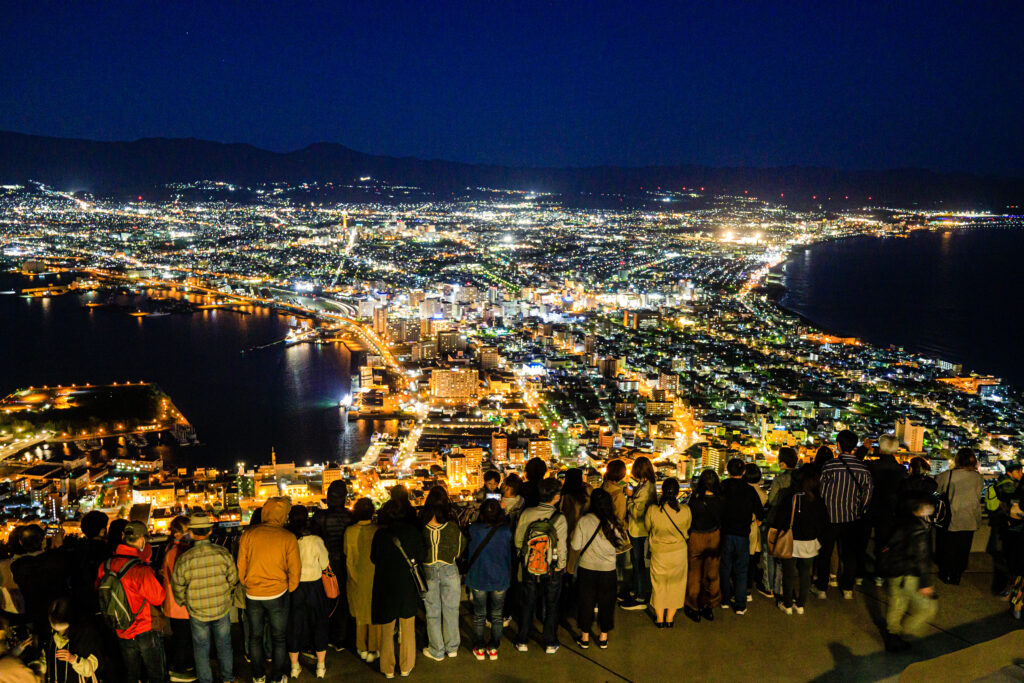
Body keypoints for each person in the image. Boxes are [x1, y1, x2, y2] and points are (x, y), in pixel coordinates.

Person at [237, 496, 301, 683]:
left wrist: (247, 582)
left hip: (252, 593)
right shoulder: (287, 537)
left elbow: (241, 564)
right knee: (279, 638)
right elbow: (295, 570)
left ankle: (258, 675)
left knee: (255, 636)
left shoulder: (249, 534)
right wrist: (290, 588)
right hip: (278, 593)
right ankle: (277, 677)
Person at [96, 520, 167, 683]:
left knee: (131, 674)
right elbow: (158, 597)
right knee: (156, 674)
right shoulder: (140, 570)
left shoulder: (105, 566)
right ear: (142, 540)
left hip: (120, 627)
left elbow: (99, 590)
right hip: (144, 626)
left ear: (123, 537)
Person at [172, 513, 238, 683]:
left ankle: (206, 680)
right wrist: (225, 594)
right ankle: (228, 678)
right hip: (221, 607)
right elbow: (233, 579)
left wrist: (185, 602)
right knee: (224, 645)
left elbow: (177, 587)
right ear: (210, 531)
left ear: (192, 533)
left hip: (197, 611)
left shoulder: (185, 558)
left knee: (201, 648)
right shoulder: (223, 553)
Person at [814, 430, 874, 600]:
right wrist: (859, 510)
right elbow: (868, 493)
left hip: (830, 518)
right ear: (854, 446)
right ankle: (847, 588)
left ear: (838, 445)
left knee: (825, 553)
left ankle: (822, 588)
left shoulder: (830, 466)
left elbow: (822, 492)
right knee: (850, 554)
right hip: (852, 518)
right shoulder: (863, 468)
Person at [371, 500, 427, 679]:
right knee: (407, 627)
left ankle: (387, 668)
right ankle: (406, 665)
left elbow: (374, 558)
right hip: (407, 585)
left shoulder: (380, 535)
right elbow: (421, 555)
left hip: (385, 585)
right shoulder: (412, 532)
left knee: (387, 630)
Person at [878, 495, 938, 652]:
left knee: (897, 603)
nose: (930, 509)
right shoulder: (919, 527)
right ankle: (908, 632)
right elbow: (922, 556)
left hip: (893, 572)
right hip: (909, 574)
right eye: (926, 506)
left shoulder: (898, 522)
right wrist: (925, 583)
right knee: (928, 607)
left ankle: (893, 637)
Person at [514, 478, 567, 654]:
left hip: (530, 564)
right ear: (557, 496)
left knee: (528, 601)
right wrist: (561, 566)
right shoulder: (560, 518)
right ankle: (550, 642)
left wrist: (526, 558)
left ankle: (522, 639)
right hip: (551, 567)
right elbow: (561, 547)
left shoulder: (527, 513)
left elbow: (518, 541)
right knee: (552, 604)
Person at [571, 488, 629, 649]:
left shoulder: (584, 521)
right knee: (607, 603)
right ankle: (603, 637)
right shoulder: (614, 522)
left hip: (587, 568)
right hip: (608, 570)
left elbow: (576, 545)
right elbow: (620, 546)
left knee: (586, 602)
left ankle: (585, 637)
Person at [419, 486, 466, 662]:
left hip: (429, 570)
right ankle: (452, 647)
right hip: (450, 569)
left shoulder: (422, 526)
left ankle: (437, 650)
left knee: (432, 611)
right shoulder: (452, 526)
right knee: (451, 609)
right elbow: (461, 547)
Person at [771, 468, 826, 614]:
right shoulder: (818, 500)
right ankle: (800, 604)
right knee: (804, 573)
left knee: (788, 573)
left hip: (791, 541)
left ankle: (787, 604)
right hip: (809, 542)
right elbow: (823, 522)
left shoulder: (791, 498)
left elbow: (779, 520)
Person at [465, 499, 513, 660]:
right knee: (497, 615)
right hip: (499, 578)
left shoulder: (474, 529)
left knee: (479, 614)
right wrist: (504, 513)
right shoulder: (506, 531)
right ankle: (493, 648)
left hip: (479, 577)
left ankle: (479, 647)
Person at [286, 505, 330, 679]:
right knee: (319, 624)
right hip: (314, 586)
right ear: (307, 519)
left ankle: (294, 667)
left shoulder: (288, 539)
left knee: (294, 626)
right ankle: (320, 666)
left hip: (294, 587)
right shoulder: (316, 540)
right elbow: (325, 564)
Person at [719, 458, 764, 614]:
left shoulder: (723, 486)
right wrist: (757, 520)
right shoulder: (749, 490)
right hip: (743, 534)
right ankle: (740, 604)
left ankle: (724, 599)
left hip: (726, 533)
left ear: (728, 470)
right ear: (744, 472)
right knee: (741, 570)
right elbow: (760, 512)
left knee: (725, 567)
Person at [934, 448, 984, 585]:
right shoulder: (978, 477)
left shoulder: (948, 475)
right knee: (963, 548)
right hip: (970, 517)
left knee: (946, 547)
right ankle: (957, 575)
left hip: (951, 516)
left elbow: (937, 490)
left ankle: (945, 573)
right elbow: (978, 494)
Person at [312, 480, 352, 652]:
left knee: (325, 601)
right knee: (343, 601)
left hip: (325, 565)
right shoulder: (351, 517)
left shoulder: (320, 517)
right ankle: (341, 638)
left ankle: (325, 636)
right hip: (345, 562)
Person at [645, 477, 691, 627]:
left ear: (663, 491)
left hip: (659, 552)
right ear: (678, 493)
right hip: (679, 553)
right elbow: (687, 527)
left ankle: (659, 619)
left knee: (659, 584)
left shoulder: (653, 510)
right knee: (676, 585)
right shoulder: (685, 510)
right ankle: (670, 619)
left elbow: (647, 527)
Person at [866, 435, 908, 583]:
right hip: (890, 511)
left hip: (869, 508)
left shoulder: (872, 466)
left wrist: (864, 448)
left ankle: (858, 574)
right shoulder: (901, 470)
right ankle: (880, 574)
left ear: (880, 448)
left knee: (862, 542)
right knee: (883, 543)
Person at [345, 498, 381, 664]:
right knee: (373, 614)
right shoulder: (377, 531)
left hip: (355, 577)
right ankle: (374, 648)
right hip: (374, 577)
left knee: (360, 615)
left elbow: (348, 557)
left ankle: (361, 647)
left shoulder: (350, 532)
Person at [685, 469, 723, 622]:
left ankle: (694, 607)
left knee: (695, 573)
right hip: (714, 537)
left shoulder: (695, 499)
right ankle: (709, 604)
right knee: (712, 573)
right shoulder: (720, 499)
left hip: (696, 537)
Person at [161, 516, 195, 683]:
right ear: (178, 532)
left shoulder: (172, 548)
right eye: (188, 530)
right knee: (183, 638)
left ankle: (181, 666)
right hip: (180, 605)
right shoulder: (177, 552)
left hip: (174, 605)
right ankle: (179, 670)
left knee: (181, 636)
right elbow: (179, 579)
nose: (191, 534)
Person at [761, 447, 798, 598]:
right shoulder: (800, 478)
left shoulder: (779, 479)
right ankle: (781, 587)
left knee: (769, 553)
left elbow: (772, 500)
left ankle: (769, 586)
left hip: (775, 520)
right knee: (786, 555)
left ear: (782, 463)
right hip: (793, 520)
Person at [622, 457, 655, 610]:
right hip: (640, 529)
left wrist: (629, 498)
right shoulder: (648, 485)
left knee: (638, 563)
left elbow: (636, 512)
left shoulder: (645, 490)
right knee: (638, 562)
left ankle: (640, 595)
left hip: (638, 530)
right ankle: (637, 590)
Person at [43, 597, 102, 683]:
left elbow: (92, 668)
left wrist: (74, 659)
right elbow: (45, 659)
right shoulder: (49, 634)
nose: (54, 625)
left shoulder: (85, 633)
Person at [987, 461, 1024, 595]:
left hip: (1002, 524)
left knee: (1005, 557)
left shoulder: (1006, 482)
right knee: (1004, 558)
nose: (1021, 473)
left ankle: (1004, 587)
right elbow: (1012, 503)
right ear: (1009, 473)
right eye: (1018, 471)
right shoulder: (1008, 485)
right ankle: (1003, 588)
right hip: (1004, 524)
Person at [744, 464, 767, 601]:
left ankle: (742, 589)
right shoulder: (763, 494)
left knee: (741, 560)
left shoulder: (743, 491)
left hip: (744, 528)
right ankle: (748, 589)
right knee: (752, 560)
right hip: (754, 528)